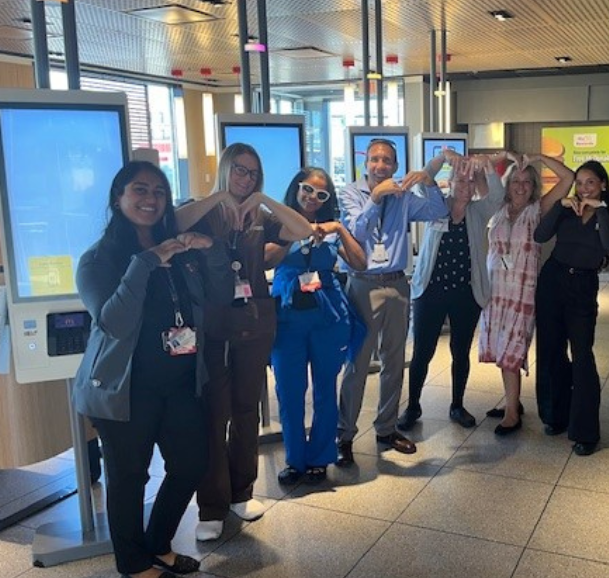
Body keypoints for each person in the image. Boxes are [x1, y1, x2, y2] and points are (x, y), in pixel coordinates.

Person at [73, 162, 233, 578]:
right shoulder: (98, 260)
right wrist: (145, 262)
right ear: (118, 198)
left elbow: (220, 294)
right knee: (129, 477)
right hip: (125, 388)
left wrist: (212, 250)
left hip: (180, 381)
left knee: (191, 464)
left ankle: (158, 543)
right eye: (139, 190)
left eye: (159, 191)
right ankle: (132, 563)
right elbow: (114, 322)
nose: (151, 199)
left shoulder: (179, 251)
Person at [175, 143, 314, 541]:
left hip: (253, 325)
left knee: (246, 410)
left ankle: (241, 492)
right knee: (213, 414)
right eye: (239, 170)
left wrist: (262, 200)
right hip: (213, 328)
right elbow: (172, 222)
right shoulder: (203, 211)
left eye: (253, 173)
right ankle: (211, 505)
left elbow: (303, 230)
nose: (245, 178)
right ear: (225, 168)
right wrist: (219, 197)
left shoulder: (259, 218)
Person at [336, 139, 449, 466]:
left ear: (395, 165)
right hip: (363, 284)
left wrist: (428, 183)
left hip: (398, 284)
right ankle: (344, 435)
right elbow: (356, 231)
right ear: (366, 163)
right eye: (375, 159)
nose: (380, 165)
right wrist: (375, 198)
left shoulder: (403, 196)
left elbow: (438, 212)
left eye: (387, 160)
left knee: (395, 361)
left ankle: (386, 429)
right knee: (357, 363)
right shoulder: (350, 193)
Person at [265, 168, 366, 486]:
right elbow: (266, 260)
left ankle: (320, 458)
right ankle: (295, 460)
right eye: (307, 189)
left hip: (327, 316)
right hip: (286, 316)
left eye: (321, 194)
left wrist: (339, 228)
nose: (312, 198)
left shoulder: (331, 228)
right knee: (289, 390)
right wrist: (296, 233)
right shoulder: (275, 222)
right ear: (296, 188)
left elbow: (360, 262)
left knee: (325, 388)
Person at [398, 153, 505, 431]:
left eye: (471, 182)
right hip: (430, 290)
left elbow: (497, 196)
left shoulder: (478, 212)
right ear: (450, 182)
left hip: (465, 294)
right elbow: (425, 177)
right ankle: (412, 406)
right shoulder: (435, 205)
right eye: (460, 180)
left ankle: (457, 405)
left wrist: (486, 165)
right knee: (423, 351)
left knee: (460, 351)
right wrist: (444, 156)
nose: (466, 186)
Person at [533, 159, 609, 455]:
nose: (584, 189)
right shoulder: (566, 211)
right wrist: (559, 205)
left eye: (590, 183)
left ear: (603, 185)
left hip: (583, 287)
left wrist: (600, 209)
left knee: (582, 355)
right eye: (580, 183)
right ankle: (555, 415)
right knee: (551, 350)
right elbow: (540, 235)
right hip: (553, 281)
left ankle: (585, 431)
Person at [479, 153, 570, 435]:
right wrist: (505, 156)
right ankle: (513, 402)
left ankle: (512, 414)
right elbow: (480, 168)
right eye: (515, 181)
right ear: (506, 185)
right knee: (501, 348)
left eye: (527, 181)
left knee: (512, 350)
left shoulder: (538, 210)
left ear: (534, 186)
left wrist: (540, 157)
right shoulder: (496, 207)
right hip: (495, 290)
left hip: (522, 292)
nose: (520, 186)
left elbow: (568, 178)